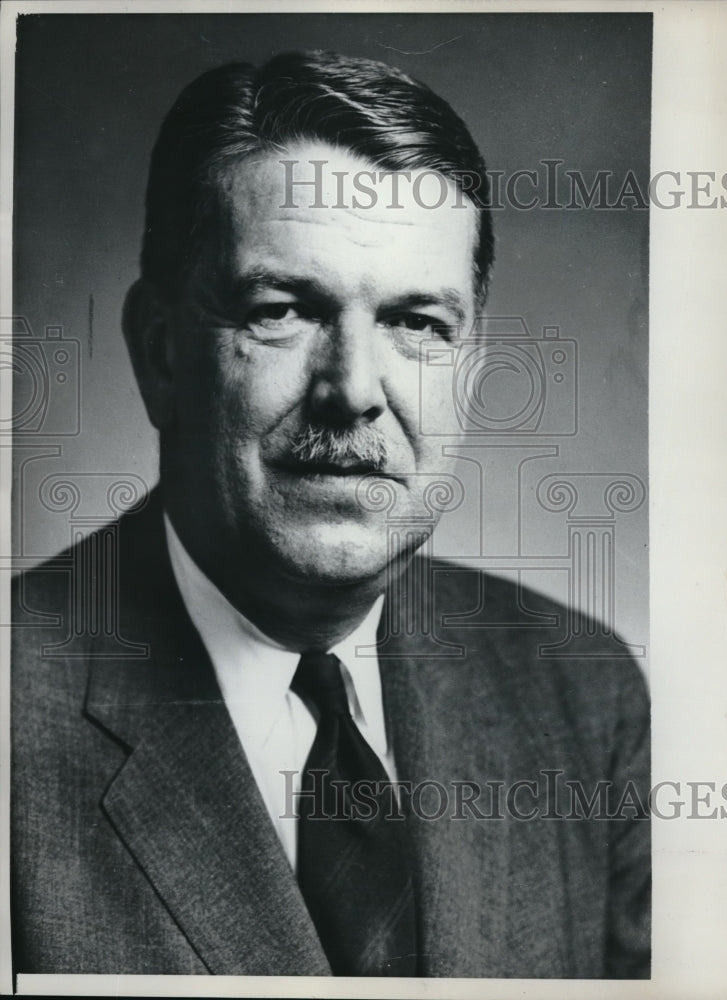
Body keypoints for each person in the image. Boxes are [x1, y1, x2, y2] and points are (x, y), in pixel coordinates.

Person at [11, 51, 650, 979]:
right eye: (282, 310)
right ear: (160, 354)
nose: (352, 391)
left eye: (418, 324)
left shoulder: (583, 697)